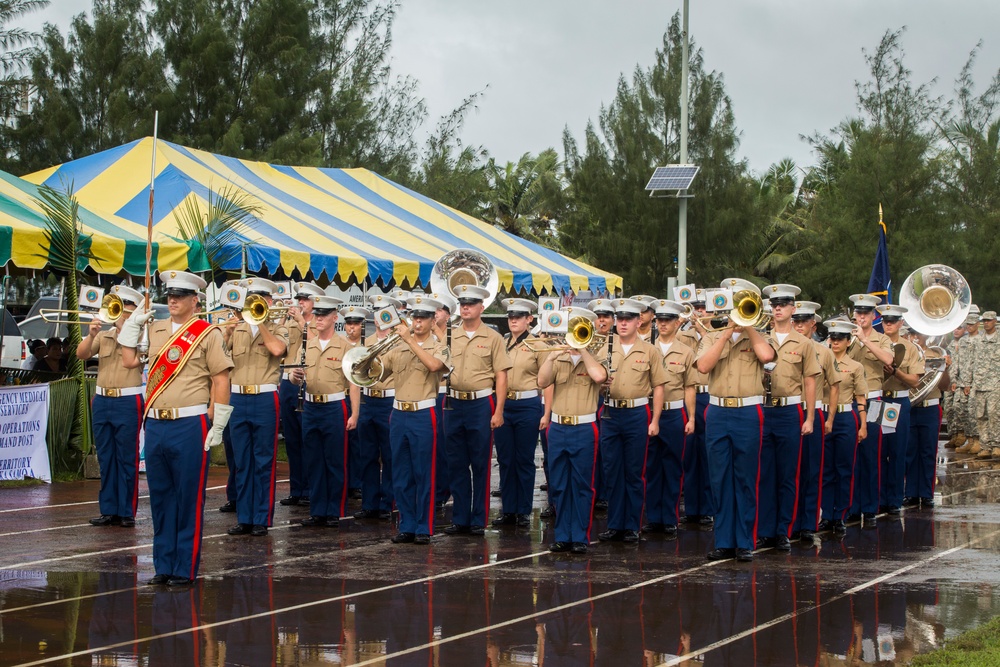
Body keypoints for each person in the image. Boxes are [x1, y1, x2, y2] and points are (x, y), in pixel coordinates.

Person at [121, 270, 233, 587]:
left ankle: (184, 567)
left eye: (180, 295)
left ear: (194, 300)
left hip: (189, 423)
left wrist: (218, 422)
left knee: (188, 498)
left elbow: (221, 379)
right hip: (156, 423)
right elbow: (129, 361)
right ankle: (163, 565)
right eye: (169, 295)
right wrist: (130, 328)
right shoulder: (154, 330)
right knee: (160, 498)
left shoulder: (207, 333)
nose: (172, 300)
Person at [696, 278, 775, 563]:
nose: (735, 312)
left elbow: (767, 356)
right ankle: (724, 540)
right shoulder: (709, 337)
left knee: (745, 478)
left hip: (747, 412)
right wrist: (727, 331)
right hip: (717, 411)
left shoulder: (759, 337)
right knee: (719, 478)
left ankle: (745, 541)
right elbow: (704, 366)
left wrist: (749, 327)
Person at [442, 284, 512, 537]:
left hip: (481, 404)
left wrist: (499, 411)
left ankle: (478, 519)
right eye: (462, 304)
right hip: (453, 403)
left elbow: (501, 376)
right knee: (456, 463)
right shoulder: (450, 335)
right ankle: (460, 518)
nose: (465, 307)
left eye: (470, 304)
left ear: (482, 307)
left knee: (480, 463)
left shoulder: (493, 338)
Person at [379, 295, 449, 544]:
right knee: (401, 472)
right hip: (398, 413)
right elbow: (376, 370)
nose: (417, 322)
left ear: (433, 321)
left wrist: (409, 340)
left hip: (423, 412)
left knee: (424, 472)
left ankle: (424, 526)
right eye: (414, 317)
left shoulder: (441, 344)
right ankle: (406, 524)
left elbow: (434, 366)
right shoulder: (397, 345)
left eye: (423, 318)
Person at [537, 308, 607, 554]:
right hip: (558, 426)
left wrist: (583, 348)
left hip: (584, 427)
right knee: (559, 484)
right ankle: (562, 535)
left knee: (581, 484)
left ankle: (580, 536)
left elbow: (599, 376)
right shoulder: (559, 357)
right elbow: (542, 382)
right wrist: (552, 355)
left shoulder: (597, 357)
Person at [223, 277, 289, 537]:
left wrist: (260, 323)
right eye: (253, 297)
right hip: (238, 397)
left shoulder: (278, 328)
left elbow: (276, 349)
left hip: (263, 398)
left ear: (270, 301)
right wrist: (226, 330)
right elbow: (217, 354)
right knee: (241, 461)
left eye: (263, 298)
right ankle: (245, 517)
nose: (257, 302)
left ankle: (261, 518)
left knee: (263, 460)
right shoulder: (236, 328)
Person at [599, 297, 667, 544]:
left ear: (639, 322)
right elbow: (592, 382)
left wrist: (655, 419)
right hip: (610, 414)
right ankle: (615, 524)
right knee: (612, 471)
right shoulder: (605, 347)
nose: (623, 323)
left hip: (637, 414)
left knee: (634, 472)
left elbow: (658, 387)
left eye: (629, 319)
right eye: (620, 319)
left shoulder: (650, 351)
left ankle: (632, 525)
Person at [757, 284, 820, 551]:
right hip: (763, 408)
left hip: (789, 411)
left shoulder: (804, 344)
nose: (778, 308)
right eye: (774, 304)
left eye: (783, 304)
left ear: (793, 309)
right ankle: (765, 529)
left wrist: (810, 418)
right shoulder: (761, 339)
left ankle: (784, 529)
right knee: (765, 473)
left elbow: (809, 382)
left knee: (787, 474)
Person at [289, 295, 360, 527]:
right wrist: (293, 376)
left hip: (333, 406)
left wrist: (355, 413)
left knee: (335, 459)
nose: (318, 319)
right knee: (314, 459)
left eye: (323, 315)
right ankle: (317, 509)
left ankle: (334, 510)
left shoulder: (344, 347)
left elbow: (353, 383)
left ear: (334, 317)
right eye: (317, 315)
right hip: (310, 405)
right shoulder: (306, 345)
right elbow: (294, 374)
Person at [78, 284, 145, 528]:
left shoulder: (141, 335)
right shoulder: (104, 335)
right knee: (106, 458)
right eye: (117, 308)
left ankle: (126, 511)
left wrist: (127, 328)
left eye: (125, 308)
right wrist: (92, 334)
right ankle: (109, 509)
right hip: (103, 399)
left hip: (128, 399)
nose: (120, 313)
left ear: (133, 310)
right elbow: (82, 354)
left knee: (127, 457)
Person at [644, 299, 696, 536]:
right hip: (649, 412)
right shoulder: (645, 348)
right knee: (652, 466)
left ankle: (670, 518)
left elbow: (689, 387)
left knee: (673, 466)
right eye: (660, 320)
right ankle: (654, 517)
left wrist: (692, 417)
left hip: (674, 412)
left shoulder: (686, 352)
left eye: (667, 320)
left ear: (677, 323)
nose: (662, 324)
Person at [789, 301, 840, 540]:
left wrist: (829, 418)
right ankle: (786, 524)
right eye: (795, 321)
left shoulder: (825, 352)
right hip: (787, 411)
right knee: (787, 472)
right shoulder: (782, 347)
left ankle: (808, 523)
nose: (799, 326)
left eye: (803, 322)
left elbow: (835, 385)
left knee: (811, 470)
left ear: (813, 324)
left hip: (813, 413)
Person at [492, 298, 544, 528]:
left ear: (529, 319)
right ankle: (508, 510)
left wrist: (546, 411)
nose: (513, 320)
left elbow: (547, 379)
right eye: (510, 317)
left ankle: (523, 510)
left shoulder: (538, 345)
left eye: (519, 317)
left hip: (527, 405)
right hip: (505, 404)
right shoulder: (502, 343)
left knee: (523, 459)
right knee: (505, 459)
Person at [847, 293, 895, 526]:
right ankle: (853, 507)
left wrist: (865, 341)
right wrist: (853, 340)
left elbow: (888, 360)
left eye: (866, 313)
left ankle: (871, 507)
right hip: (850, 402)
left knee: (873, 456)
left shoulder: (882, 339)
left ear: (874, 315)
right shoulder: (846, 336)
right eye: (858, 313)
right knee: (851, 457)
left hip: (875, 401)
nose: (861, 316)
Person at [278, 281, 325, 507]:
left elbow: (317, 341)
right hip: (288, 380)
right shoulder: (290, 321)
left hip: (307, 382)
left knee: (308, 438)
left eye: (305, 300)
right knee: (292, 439)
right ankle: (296, 488)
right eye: (300, 300)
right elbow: (279, 347)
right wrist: (282, 319)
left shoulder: (318, 324)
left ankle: (310, 489)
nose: (300, 303)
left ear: (315, 303)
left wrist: (301, 320)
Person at [819, 319, 867, 535]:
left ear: (848, 341)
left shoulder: (856, 366)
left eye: (840, 338)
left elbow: (860, 397)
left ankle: (841, 515)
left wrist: (863, 425)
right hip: (824, 415)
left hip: (846, 417)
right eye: (832, 338)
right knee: (826, 469)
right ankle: (827, 514)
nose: (835, 342)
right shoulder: (819, 361)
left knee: (844, 469)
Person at [350, 304, 395, 521]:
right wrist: (356, 413)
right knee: (366, 455)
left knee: (389, 456)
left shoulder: (398, 344)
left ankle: (387, 503)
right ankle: (369, 503)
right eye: (377, 314)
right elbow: (355, 380)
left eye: (385, 313)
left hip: (389, 401)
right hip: (368, 402)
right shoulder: (365, 345)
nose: (381, 318)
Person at [877, 304, 922, 515]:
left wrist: (896, 373)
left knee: (897, 452)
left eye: (892, 321)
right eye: (885, 320)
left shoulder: (910, 348)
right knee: (878, 452)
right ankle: (877, 497)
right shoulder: (874, 343)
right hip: (878, 401)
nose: (888, 324)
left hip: (897, 402)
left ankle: (894, 499)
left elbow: (914, 381)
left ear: (900, 323)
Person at [675, 289, 714, 525]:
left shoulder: (716, 336)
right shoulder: (684, 336)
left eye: (703, 309)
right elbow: (665, 341)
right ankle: (691, 508)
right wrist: (681, 319)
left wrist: (704, 331)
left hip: (709, 397)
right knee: (689, 455)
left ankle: (707, 507)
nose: (699, 313)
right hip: (688, 397)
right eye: (696, 309)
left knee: (708, 454)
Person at [905, 332, 948, 507]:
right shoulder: (904, 353)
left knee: (928, 451)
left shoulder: (937, 354)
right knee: (910, 451)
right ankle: (911, 493)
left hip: (929, 407)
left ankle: (926, 492)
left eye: (917, 333)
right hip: (909, 406)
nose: (914, 336)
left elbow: (945, 386)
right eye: (910, 333)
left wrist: (945, 368)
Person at [342, 303, 366, 500]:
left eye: (356, 324)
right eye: (349, 324)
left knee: (358, 442)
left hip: (358, 397)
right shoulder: (340, 344)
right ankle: (345, 481)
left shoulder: (365, 347)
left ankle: (356, 483)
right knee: (342, 443)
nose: (352, 327)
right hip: (341, 396)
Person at [971, 311, 1000, 459]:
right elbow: (971, 362)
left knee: (995, 415)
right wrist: (968, 382)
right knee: (980, 416)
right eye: (984, 320)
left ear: (995, 321)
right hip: (979, 384)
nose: (986, 323)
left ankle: (996, 445)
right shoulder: (978, 340)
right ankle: (985, 446)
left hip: (995, 383)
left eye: (989, 320)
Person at [955, 312, 982, 454]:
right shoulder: (963, 341)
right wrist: (955, 379)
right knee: (961, 409)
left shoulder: (981, 340)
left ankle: (977, 440)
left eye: (972, 324)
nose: (970, 326)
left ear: (978, 324)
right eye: (968, 324)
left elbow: (978, 363)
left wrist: (971, 382)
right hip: (961, 380)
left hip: (975, 382)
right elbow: (959, 361)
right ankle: (969, 439)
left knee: (973, 411)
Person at [943, 324, 965, 449]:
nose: (956, 331)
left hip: (961, 382)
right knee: (949, 408)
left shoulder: (966, 344)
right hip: (948, 381)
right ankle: (953, 435)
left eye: (960, 328)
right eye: (955, 328)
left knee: (959, 409)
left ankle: (961, 435)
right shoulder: (948, 345)